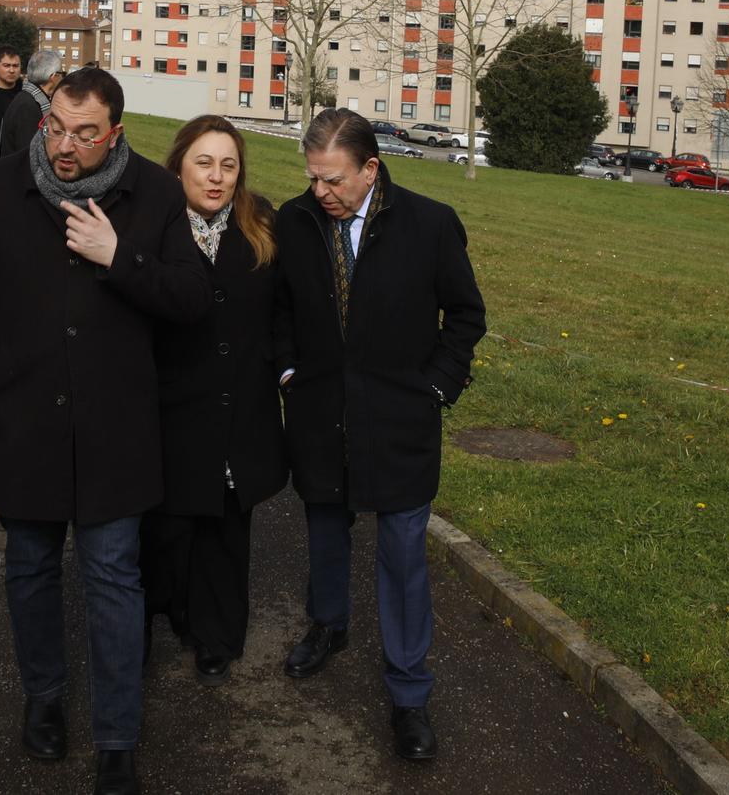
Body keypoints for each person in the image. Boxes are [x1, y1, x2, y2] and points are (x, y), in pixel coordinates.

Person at [0, 68, 209, 795]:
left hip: (115, 429)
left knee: (114, 577)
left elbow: (190, 297)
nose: (64, 145)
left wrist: (120, 257)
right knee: (29, 567)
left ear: (114, 132)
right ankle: (44, 698)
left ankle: (117, 735)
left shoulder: (152, 191)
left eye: (85, 134)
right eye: (56, 125)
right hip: (21, 424)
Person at [272, 109, 485, 762]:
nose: (321, 192)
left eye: (333, 179)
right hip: (319, 414)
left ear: (370, 168)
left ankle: (409, 692)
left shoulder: (429, 223)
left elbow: (466, 314)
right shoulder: (295, 222)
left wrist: (437, 386)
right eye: (312, 177)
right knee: (325, 527)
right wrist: (287, 371)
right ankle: (328, 623)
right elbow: (277, 307)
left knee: (401, 557)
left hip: (400, 423)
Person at [141, 116, 286, 685]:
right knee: (167, 529)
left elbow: (282, 310)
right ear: (178, 164)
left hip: (239, 407)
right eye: (204, 162)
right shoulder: (153, 226)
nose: (217, 176)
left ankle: (216, 634)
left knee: (227, 530)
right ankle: (162, 616)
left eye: (228, 165)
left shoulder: (262, 225)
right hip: (174, 407)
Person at [0, 49, 64, 159]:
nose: (62, 78)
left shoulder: (28, 98)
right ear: (53, 76)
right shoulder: (27, 106)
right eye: (62, 73)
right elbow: (29, 155)